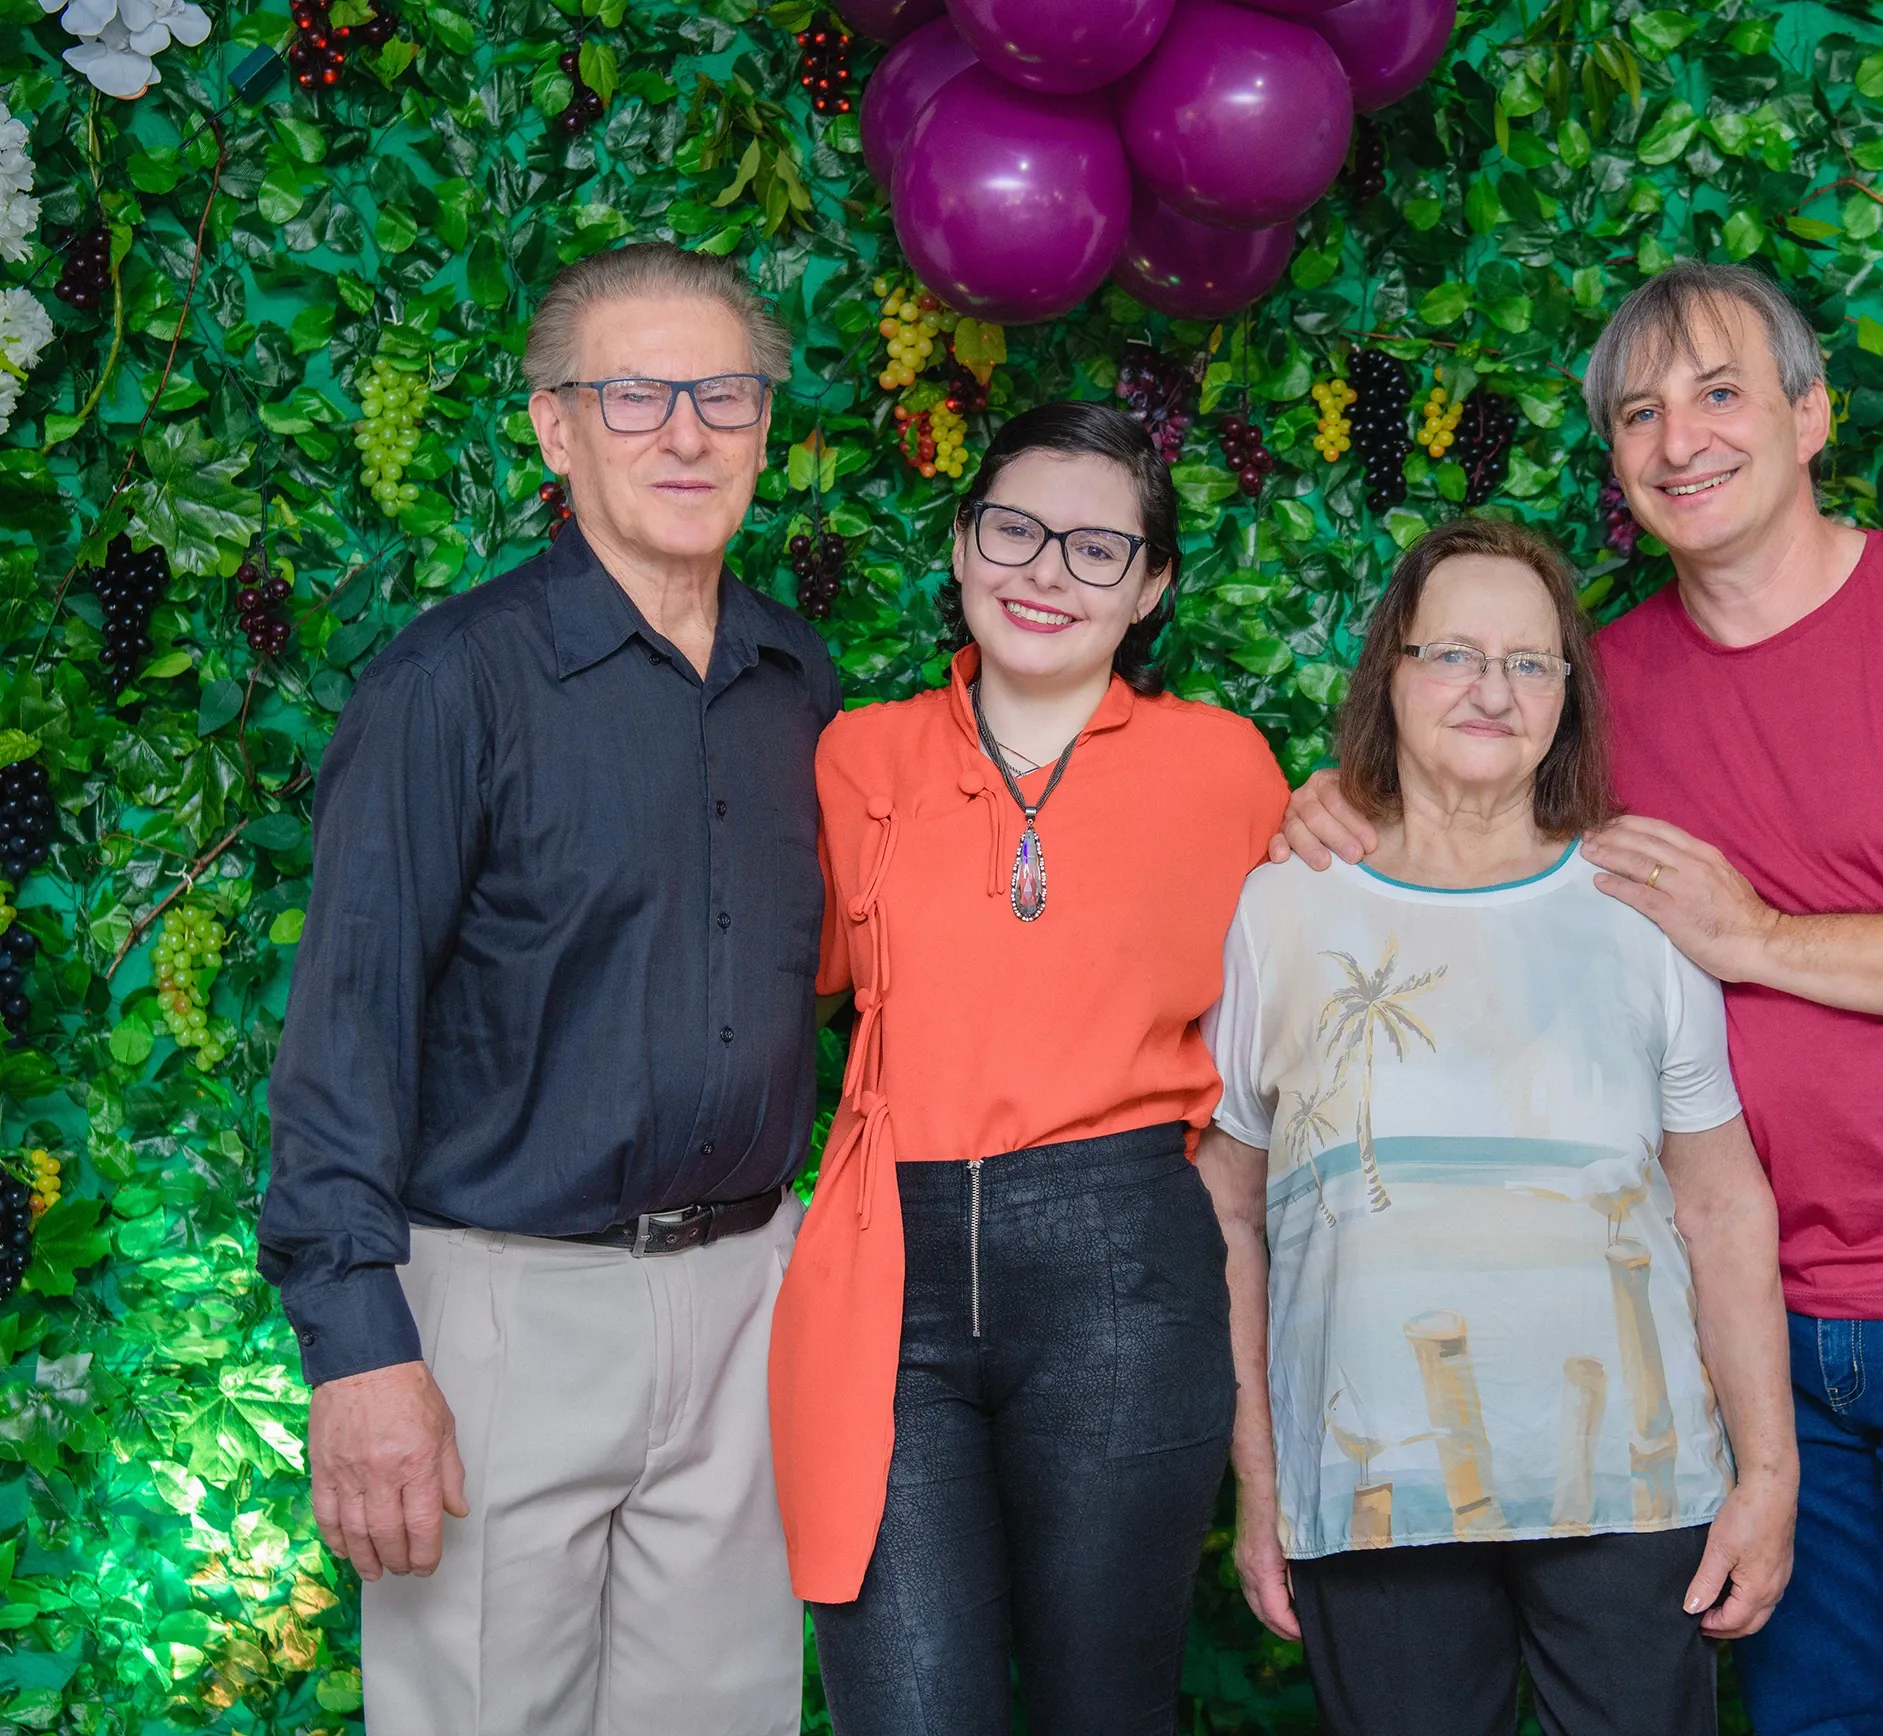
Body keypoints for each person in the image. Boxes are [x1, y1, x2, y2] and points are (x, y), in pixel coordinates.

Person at [1281, 261, 1883, 1734]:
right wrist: (1338, 809)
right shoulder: (1594, 691)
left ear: (1810, 417)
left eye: (1720, 392)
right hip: (1733, 1345)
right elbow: (1462, 843)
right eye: (1638, 413)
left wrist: (1754, 937)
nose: (1680, 438)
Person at [258, 242, 835, 1734]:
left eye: (724, 393)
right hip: (505, 1316)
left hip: (744, 1307)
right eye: (634, 394)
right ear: (553, 427)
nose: (686, 431)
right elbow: (345, 1034)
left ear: (765, 424)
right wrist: (361, 1355)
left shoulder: (801, 684)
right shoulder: (448, 686)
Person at [1200, 516, 1795, 1736]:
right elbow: (1226, 1211)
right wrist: (1260, 1481)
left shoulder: (1638, 906)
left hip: (1635, 1495)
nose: (1493, 688)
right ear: (1392, 673)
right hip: (1372, 1496)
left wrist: (1768, 1472)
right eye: (1455, 652)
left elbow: (1721, 1202)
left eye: (1531, 662)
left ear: (1567, 697)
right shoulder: (1280, 908)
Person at [768, 401, 1290, 1736]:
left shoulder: (1225, 767)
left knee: (1101, 1711)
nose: (1045, 571)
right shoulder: (855, 757)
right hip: (894, 1264)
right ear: (960, 544)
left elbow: (1307, 1005)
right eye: (1014, 529)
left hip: (1121, 1259)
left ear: (1151, 587)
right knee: (911, 1711)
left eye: (1096, 549)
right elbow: (777, 979)